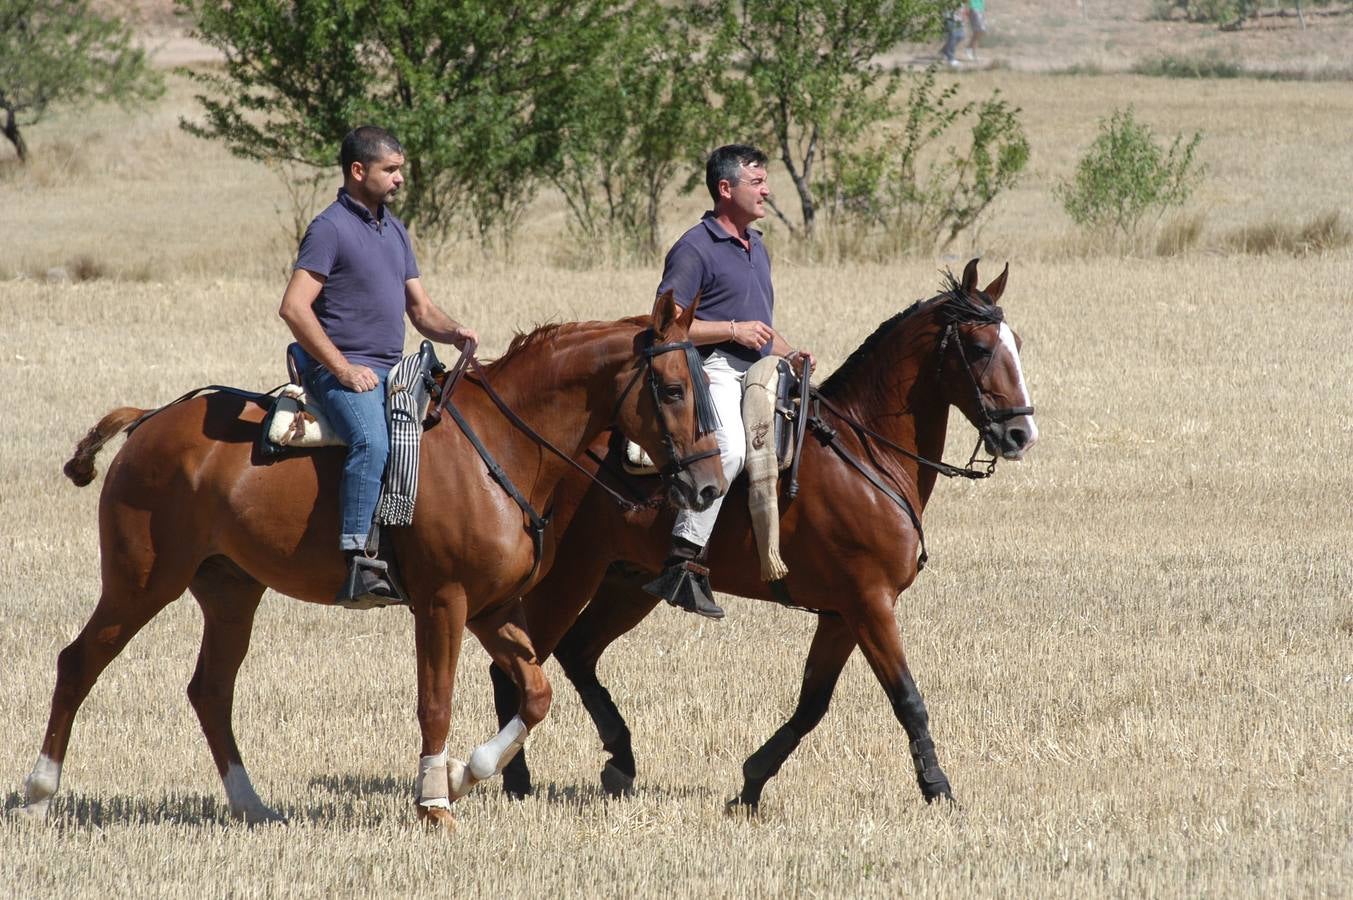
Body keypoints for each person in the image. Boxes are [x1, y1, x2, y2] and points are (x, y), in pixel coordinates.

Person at [278, 125, 477, 608]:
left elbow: (421, 311)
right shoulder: (329, 229)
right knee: (371, 440)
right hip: (338, 370)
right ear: (358, 170)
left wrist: (454, 332)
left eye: (401, 170)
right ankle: (358, 560)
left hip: (392, 369)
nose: (399, 179)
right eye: (390, 170)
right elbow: (294, 307)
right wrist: (343, 370)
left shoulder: (394, 229)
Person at [642, 144, 812, 620]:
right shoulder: (694, 247)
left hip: (760, 370)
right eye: (756, 183)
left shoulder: (757, 247)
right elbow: (668, 325)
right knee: (731, 451)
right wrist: (732, 331)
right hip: (712, 369)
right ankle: (683, 560)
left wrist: (791, 351)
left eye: (765, 181)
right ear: (725, 189)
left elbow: (760, 323)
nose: (767, 191)